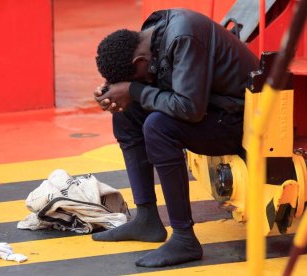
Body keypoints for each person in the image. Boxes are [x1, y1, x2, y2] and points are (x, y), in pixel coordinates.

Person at [92, 9, 259, 267]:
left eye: (135, 75)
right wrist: (113, 91)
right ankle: (147, 219)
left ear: (138, 61)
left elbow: (189, 108)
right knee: (126, 115)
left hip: (241, 121)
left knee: (158, 127)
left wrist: (134, 89)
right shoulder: (150, 35)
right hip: (212, 107)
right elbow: (167, 89)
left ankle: (184, 238)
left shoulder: (184, 38)